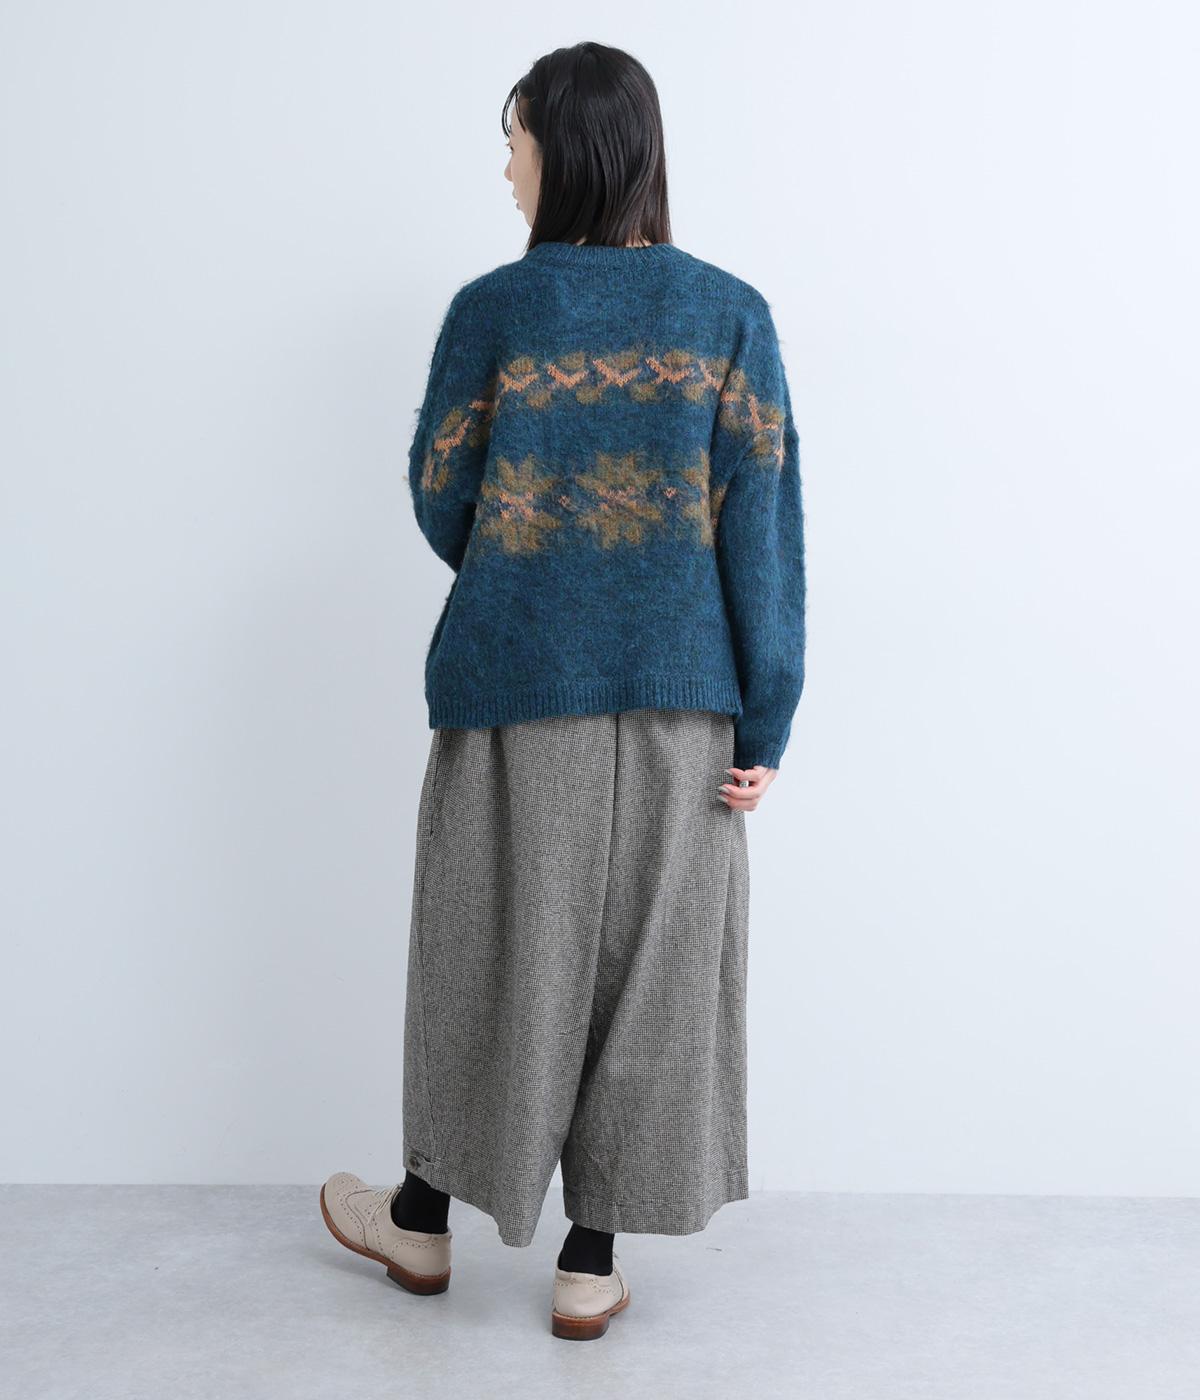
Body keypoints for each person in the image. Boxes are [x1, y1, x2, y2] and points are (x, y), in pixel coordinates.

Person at [320, 39, 806, 1342]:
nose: (506, 167)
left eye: (516, 140)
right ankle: (591, 1264)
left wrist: (533, 568)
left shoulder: (495, 312)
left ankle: (422, 1222)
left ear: (566, 153)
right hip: (685, 706)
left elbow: (443, 494)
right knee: (653, 976)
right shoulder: (731, 315)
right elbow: (761, 531)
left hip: (513, 687)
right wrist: (768, 717)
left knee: (489, 956)